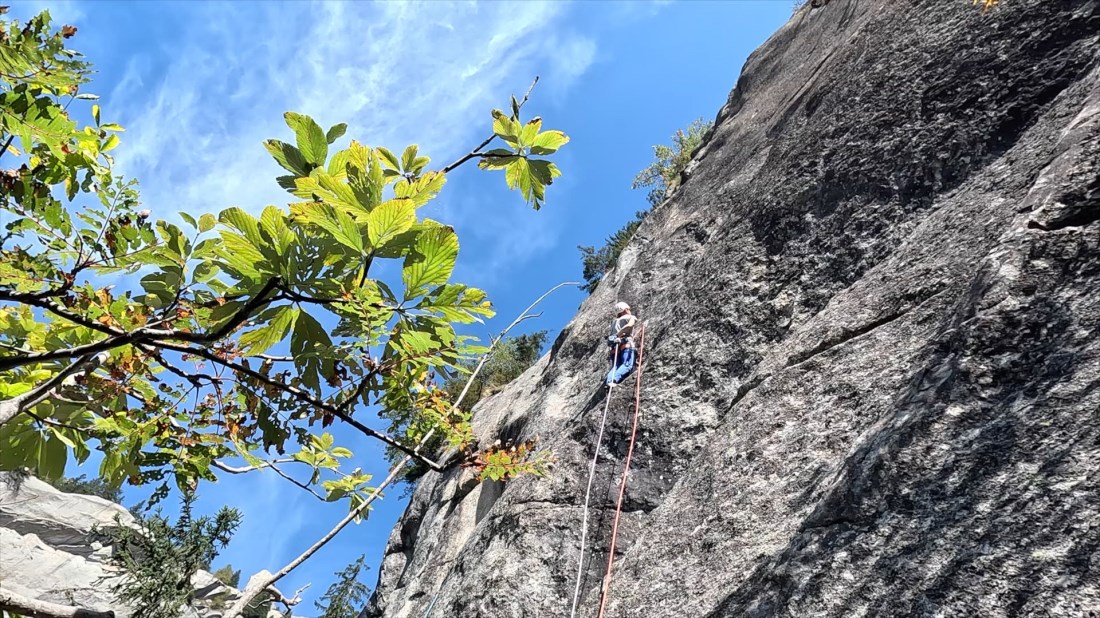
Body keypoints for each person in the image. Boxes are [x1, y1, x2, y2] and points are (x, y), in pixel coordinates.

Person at [605, 301, 637, 386]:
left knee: (615, 366)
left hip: (614, 347)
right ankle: (614, 379)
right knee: (627, 365)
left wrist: (615, 337)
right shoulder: (630, 317)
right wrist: (618, 335)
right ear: (625, 309)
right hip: (625, 343)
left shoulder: (614, 322)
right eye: (629, 309)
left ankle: (608, 381)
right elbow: (629, 326)